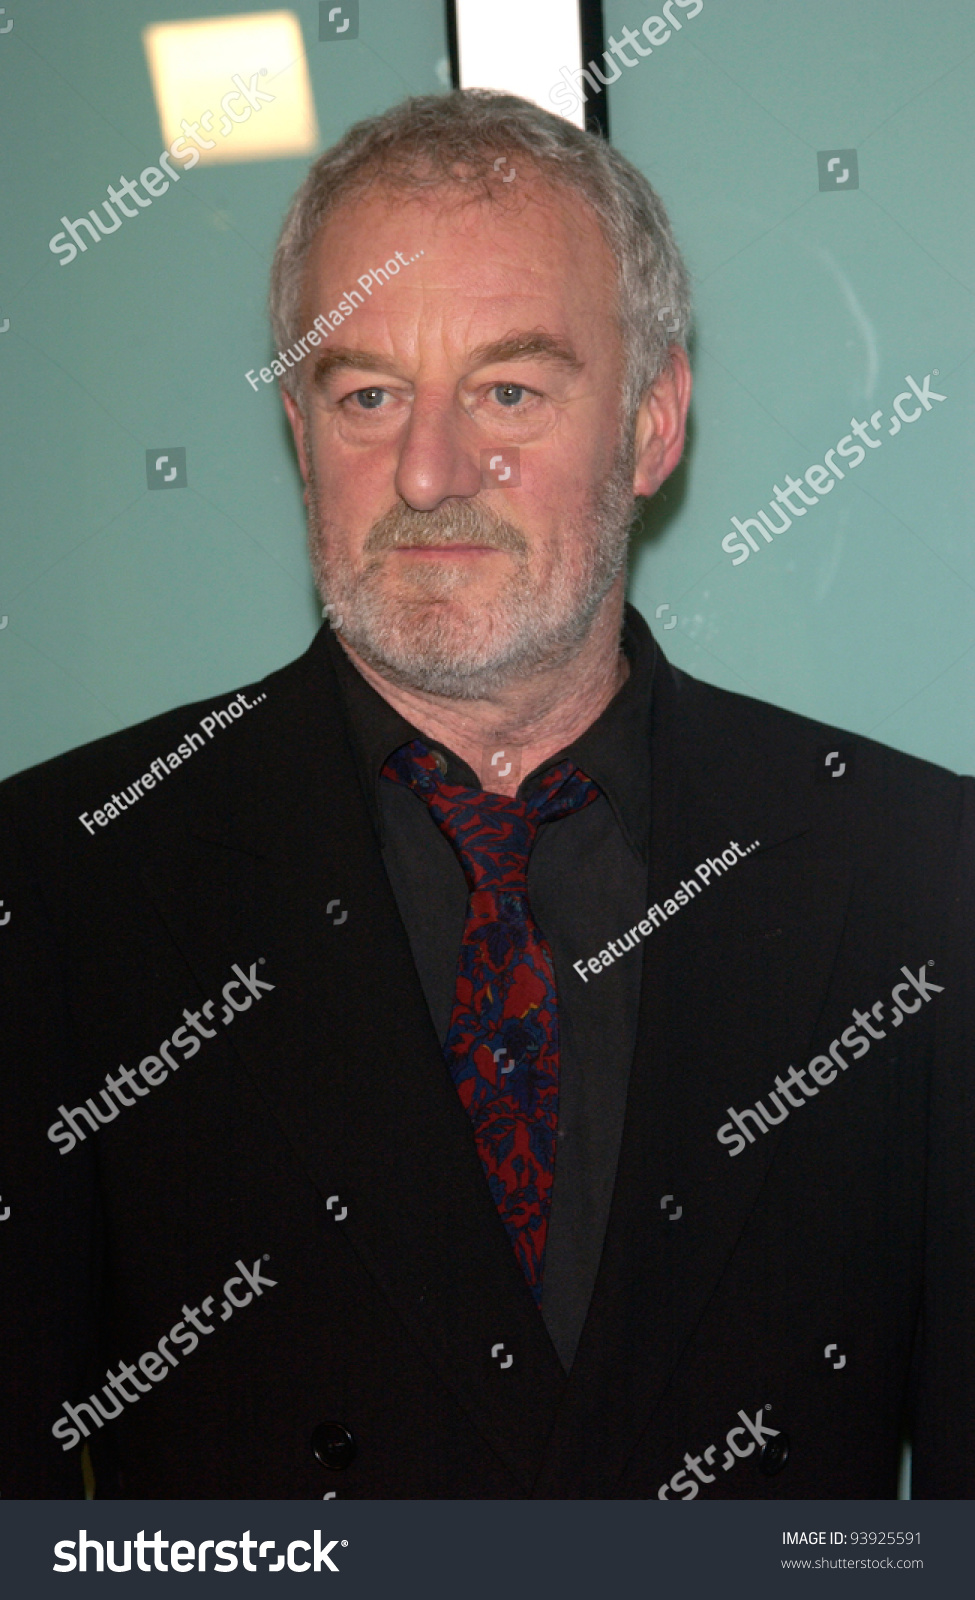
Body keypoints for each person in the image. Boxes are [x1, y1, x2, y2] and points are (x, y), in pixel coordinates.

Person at [2, 90, 972, 1500]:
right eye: (369, 393)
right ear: (298, 428)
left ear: (651, 426)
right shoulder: (67, 882)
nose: (429, 470)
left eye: (510, 391)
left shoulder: (910, 875)